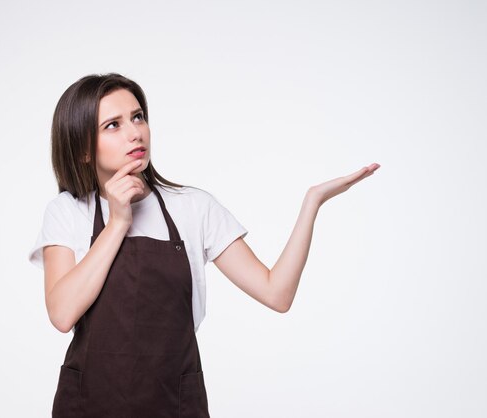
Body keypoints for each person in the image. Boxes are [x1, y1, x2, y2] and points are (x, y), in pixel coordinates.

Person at [28, 72, 380, 417]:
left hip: (174, 405)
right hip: (89, 407)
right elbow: (62, 314)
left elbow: (277, 293)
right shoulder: (67, 211)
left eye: (138, 117)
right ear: (84, 150)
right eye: (113, 125)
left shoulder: (193, 208)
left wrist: (312, 202)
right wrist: (118, 222)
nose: (135, 133)